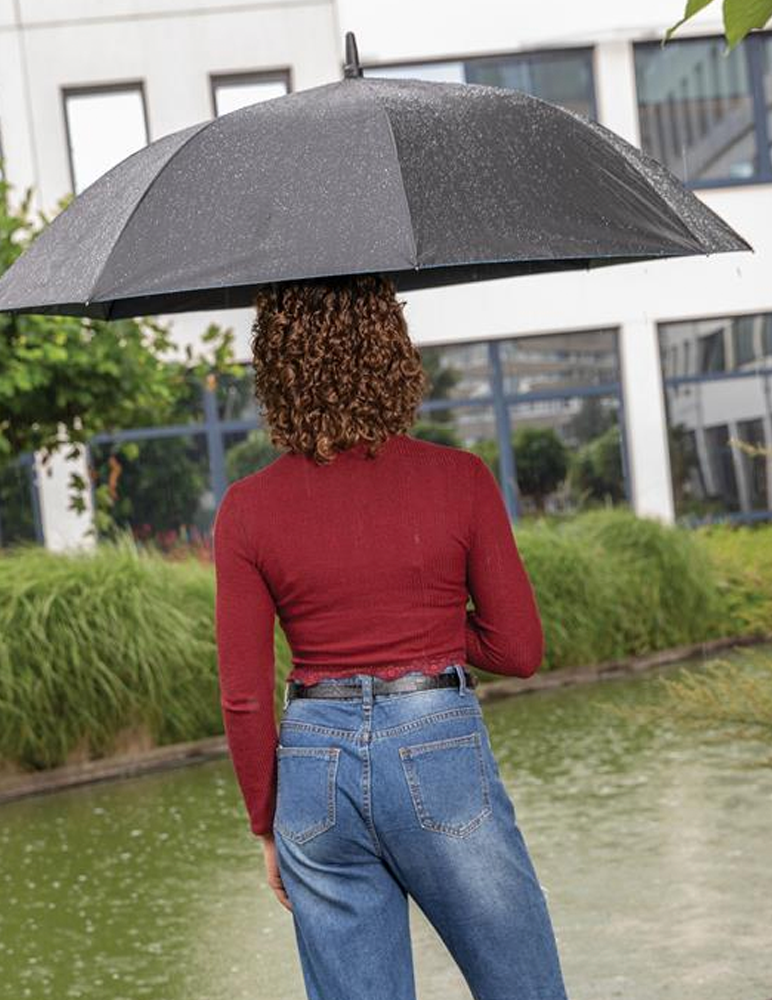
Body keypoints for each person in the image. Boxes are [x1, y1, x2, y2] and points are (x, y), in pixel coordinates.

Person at [212, 272, 570, 1000]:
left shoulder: (246, 509)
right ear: (393, 353)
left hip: (312, 762)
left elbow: (245, 697)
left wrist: (266, 825)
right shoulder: (459, 479)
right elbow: (518, 649)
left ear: (274, 370)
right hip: (434, 735)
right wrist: (433, 623)